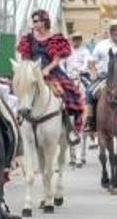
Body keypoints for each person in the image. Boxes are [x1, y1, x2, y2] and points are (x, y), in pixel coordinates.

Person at [16, 9, 84, 144]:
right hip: (32, 72)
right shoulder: (29, 38)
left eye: (36, 21)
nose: (33, 24)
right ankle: (18, 123)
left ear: (44, 22)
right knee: (20, 91)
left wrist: (46, 69)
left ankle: (69, 129)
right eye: (33, 21)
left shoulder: (55, 37)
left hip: (51, 71)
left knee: (65, 95)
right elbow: (25, 57)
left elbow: (56, 60)